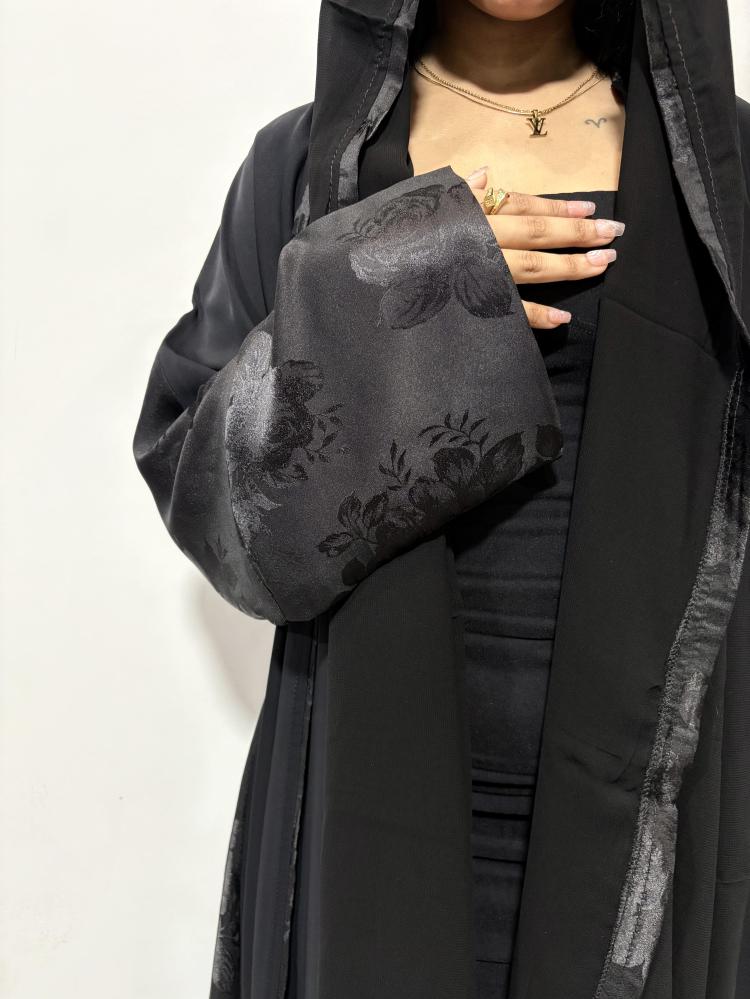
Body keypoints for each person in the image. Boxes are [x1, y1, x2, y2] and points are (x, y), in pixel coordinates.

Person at [132, 1, 750, 997]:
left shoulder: (725, 178)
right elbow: (212, 502)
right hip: (367, 814)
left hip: (653, 821)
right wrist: (402, 288)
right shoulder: (300, 172)